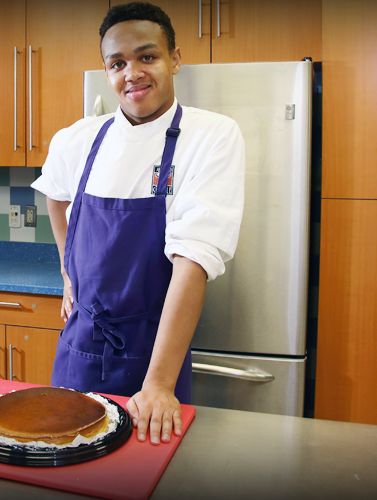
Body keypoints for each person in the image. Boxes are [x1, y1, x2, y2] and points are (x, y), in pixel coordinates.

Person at [30, 2, 245, 446]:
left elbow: (194, 257)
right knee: (65, 459)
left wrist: (160, 385)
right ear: (107, 71)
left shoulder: (210, 136)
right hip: (80, 345)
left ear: (175, 59)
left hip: (155, 350)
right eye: (118, 63)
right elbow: (55, 195)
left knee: (147, 475)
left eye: (147, 57)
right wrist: (68, 274)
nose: (132, 73)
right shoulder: (78, 139)